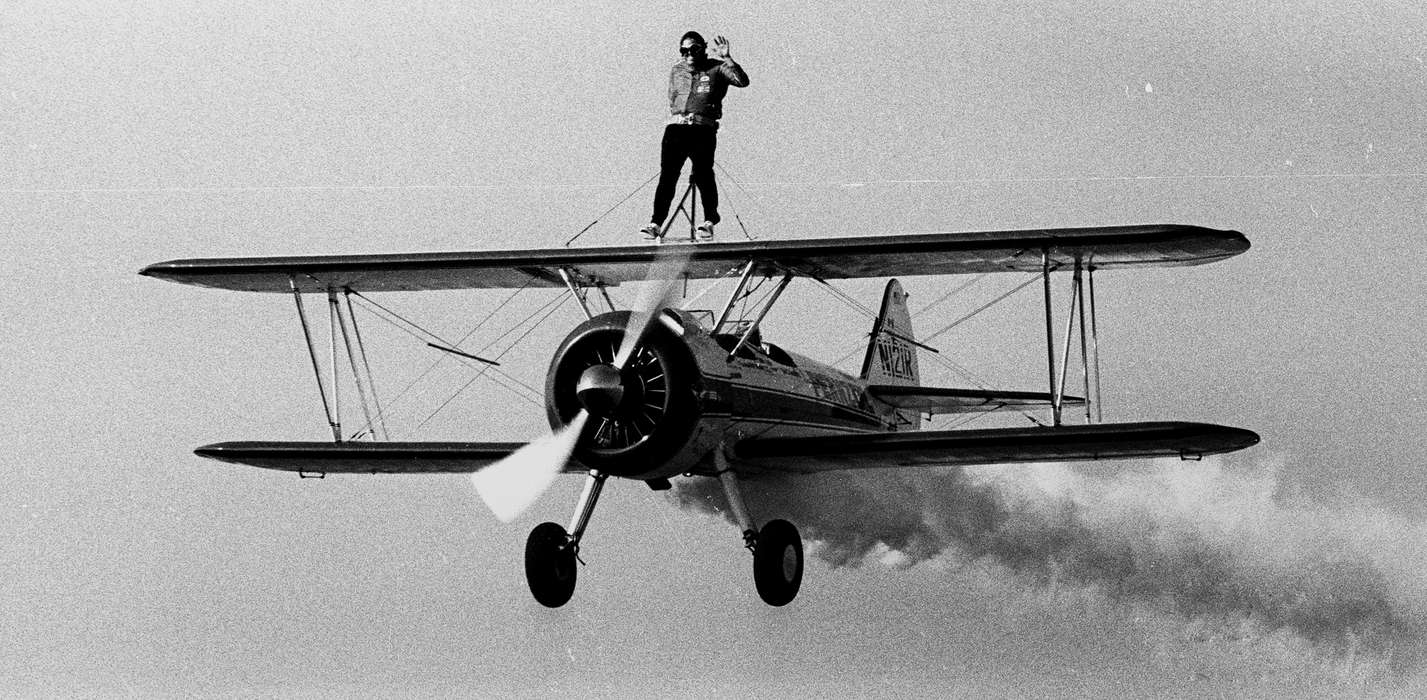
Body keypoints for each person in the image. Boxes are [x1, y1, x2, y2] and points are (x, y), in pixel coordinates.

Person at [640, 31, 749, 241]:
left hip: (702, 129)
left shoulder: (717, 68)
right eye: (684, 51)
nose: (689, 55)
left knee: (703, 173)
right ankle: (656, 222)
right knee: (668, 176)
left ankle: (709, 219)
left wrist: (728, 58)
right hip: (676, 129)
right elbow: (673, 97)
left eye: (693, 50)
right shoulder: (677, 70)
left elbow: (742, 81)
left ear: (703, 49)